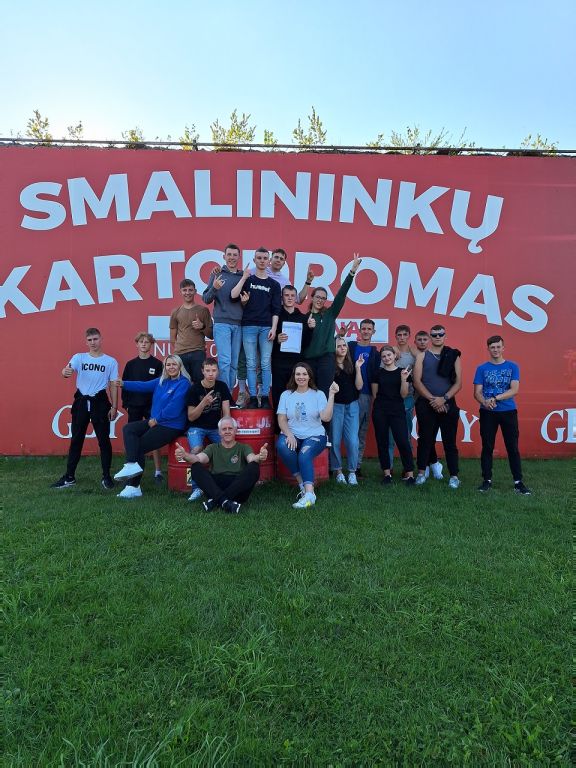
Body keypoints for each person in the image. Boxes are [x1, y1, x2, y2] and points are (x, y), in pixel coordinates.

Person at [114, 355, 191, 498]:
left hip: (171, 426)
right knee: (128, 429)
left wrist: (157, 419)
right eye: (168, 365)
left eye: (174, 364)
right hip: (156, 421)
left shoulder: (184, 383)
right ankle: (131, 466)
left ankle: (133, 486)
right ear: (165, 367)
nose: (171, 367)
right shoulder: (162, 381)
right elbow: (143, 385)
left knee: (139, 446)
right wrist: (123, 383)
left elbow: (174, 408)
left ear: (180, 366)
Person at [51, 327, 118, 490]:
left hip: (100, 402)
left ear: (101, 339)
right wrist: (65, 371)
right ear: (86, 342)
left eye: (95, 339)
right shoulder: (79, 357)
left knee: (104, 441)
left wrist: (114, 406)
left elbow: (113, 385)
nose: (93, 342)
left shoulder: (110, 361)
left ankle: (106, 477)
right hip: (81, 402)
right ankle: (69, 477)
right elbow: (66, 370)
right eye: (89, 340)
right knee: (76, 440)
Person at [473, 335, 531, 494]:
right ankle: (486, 480)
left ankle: (518, 482)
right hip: (487, 412)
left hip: (508, 411)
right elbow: (477, 392)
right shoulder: (482, 368)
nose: (496, 350)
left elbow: (514, 390)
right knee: (487, 447)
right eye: (492, 347)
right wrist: (485, 402)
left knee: (512, 447)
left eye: (498, 347)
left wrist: (495, 398)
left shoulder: (513, 366)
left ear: (503, 348)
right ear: (488, 349)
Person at [174, 416, 267, 514]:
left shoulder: (244, 447)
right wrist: (185, 455)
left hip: (238, 489)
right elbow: (198, 459)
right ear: (219, 432)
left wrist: (259, 457)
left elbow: (252, 458)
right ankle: (226, 502)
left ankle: (216, 501)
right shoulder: (212, 447)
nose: (227, 431)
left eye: (230, 428)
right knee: (195, 466)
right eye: (224, 429)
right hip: (215, 487)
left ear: (235, 431)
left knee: (254, 466)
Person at [276, 363, 338, 508]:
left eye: (304, 374)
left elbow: (326, 417)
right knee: (282, 446)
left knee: (304, 455)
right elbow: (281, 419)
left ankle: (309, 496)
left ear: (310, 376)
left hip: (315, 435)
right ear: (294, 376)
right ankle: (303, 485)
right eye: (298, 374)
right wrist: (289, 434)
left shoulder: (318, 394)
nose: (301, 377)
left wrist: (331, 395)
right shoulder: (286, 395)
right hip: (293, 433)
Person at [303, 253, 362, 397]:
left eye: (323, 298)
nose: (320, 300)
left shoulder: (329, 314)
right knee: (309, 394)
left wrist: (352, 272)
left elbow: (341, 294)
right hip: (308, 360)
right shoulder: (304, 318)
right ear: (312, 297)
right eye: (318, 297)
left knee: (324, 394)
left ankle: (325, 413)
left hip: (326, 359)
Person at [231, 247, 281, 409]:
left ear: (269, 261)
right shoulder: (248, 280)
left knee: (265, 363)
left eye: (265, 258)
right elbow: (235, 296)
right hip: (249, 326)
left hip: (266, 327)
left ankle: (265, 396)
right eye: (259, 258)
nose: (262, 261)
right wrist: (243, 279)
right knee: (251, 363)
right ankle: (252, 396)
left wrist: (274, 328)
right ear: (254, 260)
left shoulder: (274, 285)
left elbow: (276, 309)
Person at [413, 325, 462, 488]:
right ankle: (421, 473)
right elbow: (417, 381)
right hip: (426, 404)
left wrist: (444, 399)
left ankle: (454, 476)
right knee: (425, 440)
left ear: (445, 336)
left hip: (448, 404)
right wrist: (434, 400)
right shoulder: (422, 356)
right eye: (434, 335)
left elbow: (458, 383)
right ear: (430, 337)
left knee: (450, 442)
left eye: (440, 334)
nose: (438, 337)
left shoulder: (453, 355)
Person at [186, 357, 232, 502]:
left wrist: (225, 430)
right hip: (196, 427)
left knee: (226, 449)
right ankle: (195, 488)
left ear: (218, 371)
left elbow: (226, 413)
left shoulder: (222, 386)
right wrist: (203, 403)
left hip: (215, 427)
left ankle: (222, 484)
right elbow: (191, 417)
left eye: (213, 370)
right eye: (208, 370)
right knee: (196, 451)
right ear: (202, 371)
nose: (211, 374)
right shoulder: (194, 389)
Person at [121, 332, 164, 483]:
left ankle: (158, 472)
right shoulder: (130, 364)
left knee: (154, 438)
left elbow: (161, 387)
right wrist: (126, 404)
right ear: (137, 344)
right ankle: (131, 471)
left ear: (151, 344)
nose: (144, 344)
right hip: (134, 406)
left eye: (147, 342)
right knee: (131, 439)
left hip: (151, 407)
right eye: (141, 342)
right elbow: (124, 385)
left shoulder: (158, 364)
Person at [202, 243, 245, 392]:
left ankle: (228, 395)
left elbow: (245, 300)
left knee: (234, 364)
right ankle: (224, 397)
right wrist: (214, 288)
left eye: (235, 255)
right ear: (224, 256)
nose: (232, 258)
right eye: (229, 254)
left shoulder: (243, 276)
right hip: (222, 324)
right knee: (225, 362)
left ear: (239, 257)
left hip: (238, 324)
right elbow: (206, 299)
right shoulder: (216, 274)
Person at [371, 345, 415, 485]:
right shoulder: (377, 373)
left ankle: (410, 474)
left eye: (389, 355)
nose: (386, 358)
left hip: (397, 411)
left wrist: (403, 379)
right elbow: (375, 394)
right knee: (382, 442)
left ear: (395, 356)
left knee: (403, 441)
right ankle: (387, 474)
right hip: (380, 411)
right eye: (384, 356)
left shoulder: (403, 372)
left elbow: (404, 395)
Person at [345, 319, 380, 477]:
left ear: (373, 332)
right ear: (359, 330)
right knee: (344, 431)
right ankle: (335, 467)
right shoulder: (351, 346)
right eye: (363, 328)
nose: (366, 331)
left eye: (369, 329)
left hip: (365, 396)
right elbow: (335, 348)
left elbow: (377, 376)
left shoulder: (375, 352)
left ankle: (356, 466)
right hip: (347, 395)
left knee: (360, 432)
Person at [271, 284, 313, 413]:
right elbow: (267, 338)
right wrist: (276, 340)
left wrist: (311, 329)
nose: (289, 298)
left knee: (296, 396)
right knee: (278, 395)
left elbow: (306, 343)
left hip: (296, 364)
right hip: (278, 362)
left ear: (296, 298)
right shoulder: (275, 316)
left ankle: (296, 423)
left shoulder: (303, 318)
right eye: (286, 295)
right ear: (282, 297)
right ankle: (278, 425)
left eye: (292, 295)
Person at [330, 338, 363, 485]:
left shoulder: (352, 364)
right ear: (333, 348)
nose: (342, 348)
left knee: (353, 441)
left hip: (352, 406)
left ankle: (352, 472)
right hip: (336, 406)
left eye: (344, 345)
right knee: (335, 440)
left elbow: (359, 386)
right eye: (339, 346)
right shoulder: (330, 366)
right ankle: (338, 471)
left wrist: (358, 368)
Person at [413, 330, 444, 480]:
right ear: (415, 341)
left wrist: (438, 399)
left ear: (429, 340)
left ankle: (430, 463)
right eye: (419, 339)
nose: (422, 342)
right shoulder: (414, 355)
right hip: (420, 400)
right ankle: (429, 464)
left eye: (425, 339)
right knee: (425, 435)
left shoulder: (438, 356)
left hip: (437, 400)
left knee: (430, 435)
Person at [170, 278, 213, 382]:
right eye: (184, 290)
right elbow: (172, 337)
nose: (187, 293)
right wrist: (179, 349)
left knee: (199, 384)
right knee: (182, 384)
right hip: (180, 354)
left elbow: (211, 335)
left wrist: (202, 326)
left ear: (195, 291)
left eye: (190, 290)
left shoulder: (203, 310)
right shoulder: (175, 312)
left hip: (198, 353)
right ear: (180, 292)